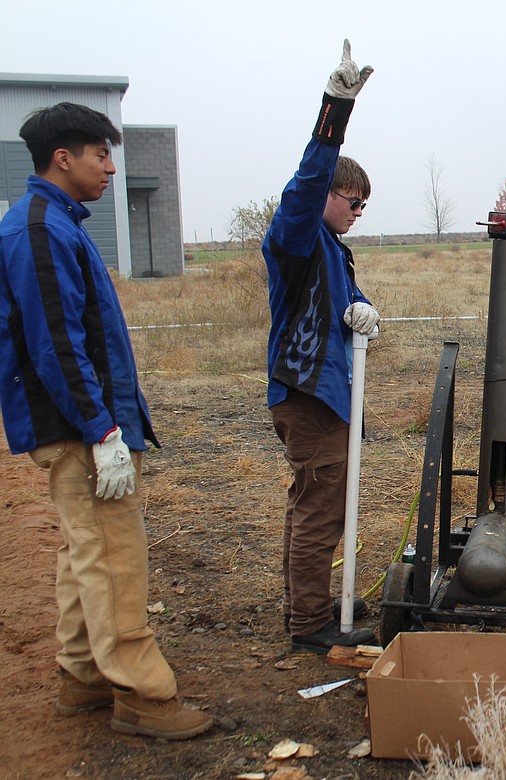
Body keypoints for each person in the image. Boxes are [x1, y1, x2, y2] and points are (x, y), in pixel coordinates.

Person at [0, 103, 213, 739]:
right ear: (62, 158)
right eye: (101, 154)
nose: (111, 168)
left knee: (83, 551)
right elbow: (57, 345)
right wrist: (102, 432)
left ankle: (83, 675)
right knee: (116, 555)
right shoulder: (39, 230)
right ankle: (143, 695)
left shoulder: (56, 223)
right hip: (79, 429)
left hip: (84, 424)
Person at [264, 40, 380, 654]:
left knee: (314, 500)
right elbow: (307, 184)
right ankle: (309, 621)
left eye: (365, 205)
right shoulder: (299, 236)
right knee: (320, 508)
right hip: (305, 394)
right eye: (351, 200)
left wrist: (361, 313)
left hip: (330, 395)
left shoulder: (335, 251)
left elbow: (345, 305)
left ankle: (309, 599)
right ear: (328, 197)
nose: (358, 211)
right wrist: (334, 111)